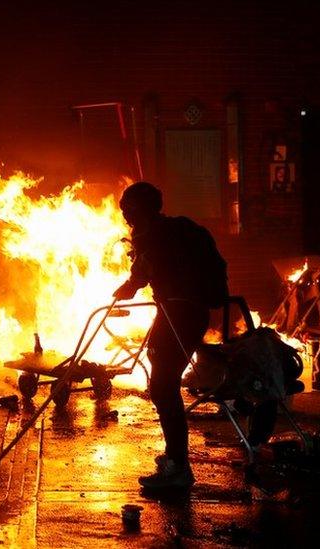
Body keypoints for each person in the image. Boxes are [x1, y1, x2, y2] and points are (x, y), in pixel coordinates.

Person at [113, 181, 228, 489]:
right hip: (194, 312)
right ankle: (175, 459)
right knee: (164, 382)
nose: (125, 216)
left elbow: (142, 272)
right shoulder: (184, 228)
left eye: (127, 209)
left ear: (137, 210)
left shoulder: (151, 235)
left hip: (178, 313)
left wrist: (127, 288)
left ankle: (178, 466)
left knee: (163, 385)